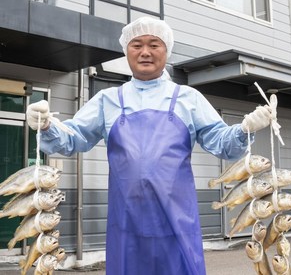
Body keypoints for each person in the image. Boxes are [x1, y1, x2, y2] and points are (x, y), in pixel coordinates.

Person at [26, 17, 272, 275]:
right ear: (126, 52)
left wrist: (245, 129)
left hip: (178, 224)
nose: (145, 52)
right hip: (125, 226)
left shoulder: (188, 99)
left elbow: (222, 143)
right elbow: (72, 138)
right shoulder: (108, 100)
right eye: (137, 45)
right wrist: (46, 126)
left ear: (167, 50)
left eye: (154, 44)